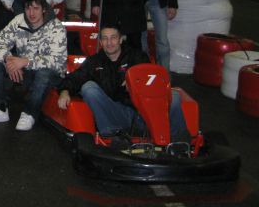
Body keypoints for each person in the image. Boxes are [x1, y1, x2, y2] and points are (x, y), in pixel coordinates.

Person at [57, 24, 189, 142]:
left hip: (143, 113)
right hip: (117, 114)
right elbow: (74, 78)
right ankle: (111, 137)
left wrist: (136, 82)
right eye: (105, 38)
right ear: (101, 42)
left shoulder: (137, 57)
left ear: (120, 39)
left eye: (113, 37)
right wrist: (64, 91)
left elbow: (153, 79)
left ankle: (178, 141)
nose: (109, 42)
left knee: (175, 97)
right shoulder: (94, 62)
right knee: (88, 88)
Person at [0, 0, 67, 131]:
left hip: (49, 75)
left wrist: (25, 61)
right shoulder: (19, 20)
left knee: (44, 73)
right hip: (23, 71)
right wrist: (8, 58)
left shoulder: (57, 27)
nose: (31, 13)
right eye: (28, 8)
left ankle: (30, 113)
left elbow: (57, 62)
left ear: (44, 9)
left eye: (36, 8)